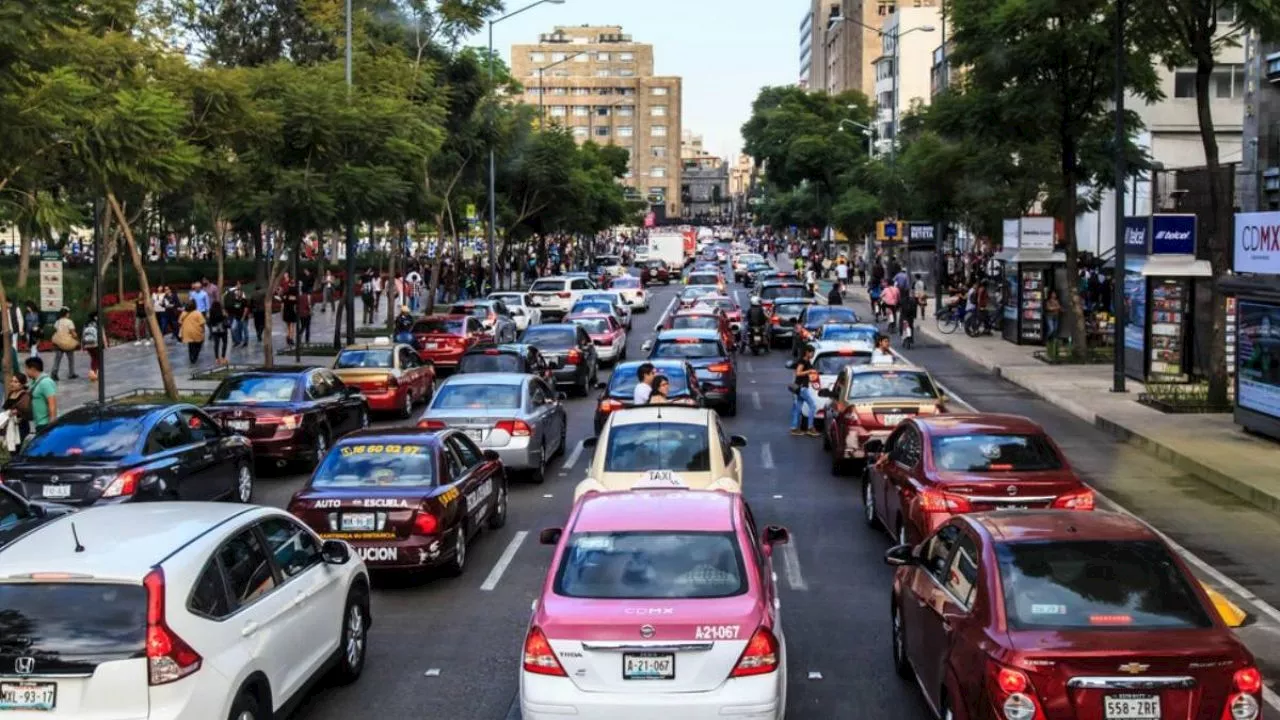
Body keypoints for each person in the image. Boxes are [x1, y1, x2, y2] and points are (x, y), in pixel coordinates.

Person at [790, 344, 820, 436]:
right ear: (807, 352)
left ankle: (794, 428)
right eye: (811, 353)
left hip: (801, 387)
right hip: (802, 388)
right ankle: (810, 428)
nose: (812, 354)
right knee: (813, 406)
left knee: (798, 408)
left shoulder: (807, 361)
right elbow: (798, 373)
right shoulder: (803, 361)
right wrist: (809, 371)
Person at [25, 357, 56, 431]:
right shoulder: (34, 381)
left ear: (32, 369)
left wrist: (52, 424)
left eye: (26, 369)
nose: (25, 371)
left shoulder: (46, 382)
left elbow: (52, 403)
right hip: (38, 423)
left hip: (45, 424)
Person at [3, 374, 31, 451]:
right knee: (11, 449)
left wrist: (17, 412)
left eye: (15, 382)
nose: (12, 383)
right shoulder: (11, 393)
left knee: (18, 449)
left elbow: (26, 410)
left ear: (22, 384)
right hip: (10, 426)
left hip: (21, 427)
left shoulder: (25, 395)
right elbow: (6, 407)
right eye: (12, 381)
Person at [50, 307, 78, 381]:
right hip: (67, 342)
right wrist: (76, 337)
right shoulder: (69, 322)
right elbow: (72, 332)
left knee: (57, 359)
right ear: (66, 314)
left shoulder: (57, 322)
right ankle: (71, 373)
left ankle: (54, 373)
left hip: (59, 343)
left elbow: (56, 330)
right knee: (71, 358)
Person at [179, 300, 206, 365]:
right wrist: (203, 330)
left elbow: (180, 322)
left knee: (191, 345)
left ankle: (191, 358)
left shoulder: (183, 313)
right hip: (197, 332)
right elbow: (202, 323)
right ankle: (195, 357)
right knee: (198, 345)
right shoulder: (198, 313)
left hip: (187, 332)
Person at [225, 283, 248, 348]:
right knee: (234, 329)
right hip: (236, 317)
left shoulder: (244, 300)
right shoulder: (235, 300)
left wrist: (243, 317)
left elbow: (246, 309)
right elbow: (234, 308)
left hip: (242, 317)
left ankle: (245, 342)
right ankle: (238, 341)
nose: (237, 294)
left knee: (243, 329)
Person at [82, 312, 101, 382]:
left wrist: (82, 346)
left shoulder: (86, 324)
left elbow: (83, 335)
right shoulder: (96, 323)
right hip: (95, 344)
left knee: (93, 358)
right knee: (98, 358)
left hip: (87, 344)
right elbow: (100, 333)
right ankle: (96, 373)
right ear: (95, 317)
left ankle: (92, 372)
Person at [208, 301, 229, 365]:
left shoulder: (211, 311)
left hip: (215, 329)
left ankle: (217, 359)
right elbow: (226, 317)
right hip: (223, 329)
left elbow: (209, 320)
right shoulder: (222, 311)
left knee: (216, 344)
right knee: (224, 343)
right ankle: (223, 357)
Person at [281, 281, 300, 346]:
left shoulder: (285, 295)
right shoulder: (295, 296)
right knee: (292, 326)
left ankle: (288, 336)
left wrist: (282, 313)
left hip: (286, 312)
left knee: (288, 326)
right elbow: (296, 305)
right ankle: (291, 338)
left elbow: (282, 305)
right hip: (292, 311)